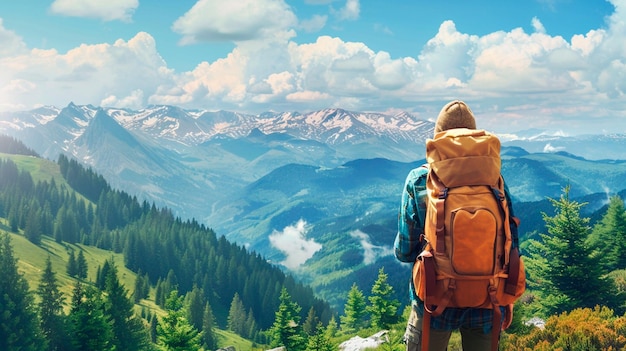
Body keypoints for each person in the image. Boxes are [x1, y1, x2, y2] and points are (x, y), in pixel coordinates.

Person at [394, 100, 520, 351]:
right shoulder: (495, 180)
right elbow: (511, 242)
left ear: (438, 139)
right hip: (487, 296)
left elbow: (405, 251)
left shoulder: (420, 180)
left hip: (434, 298)